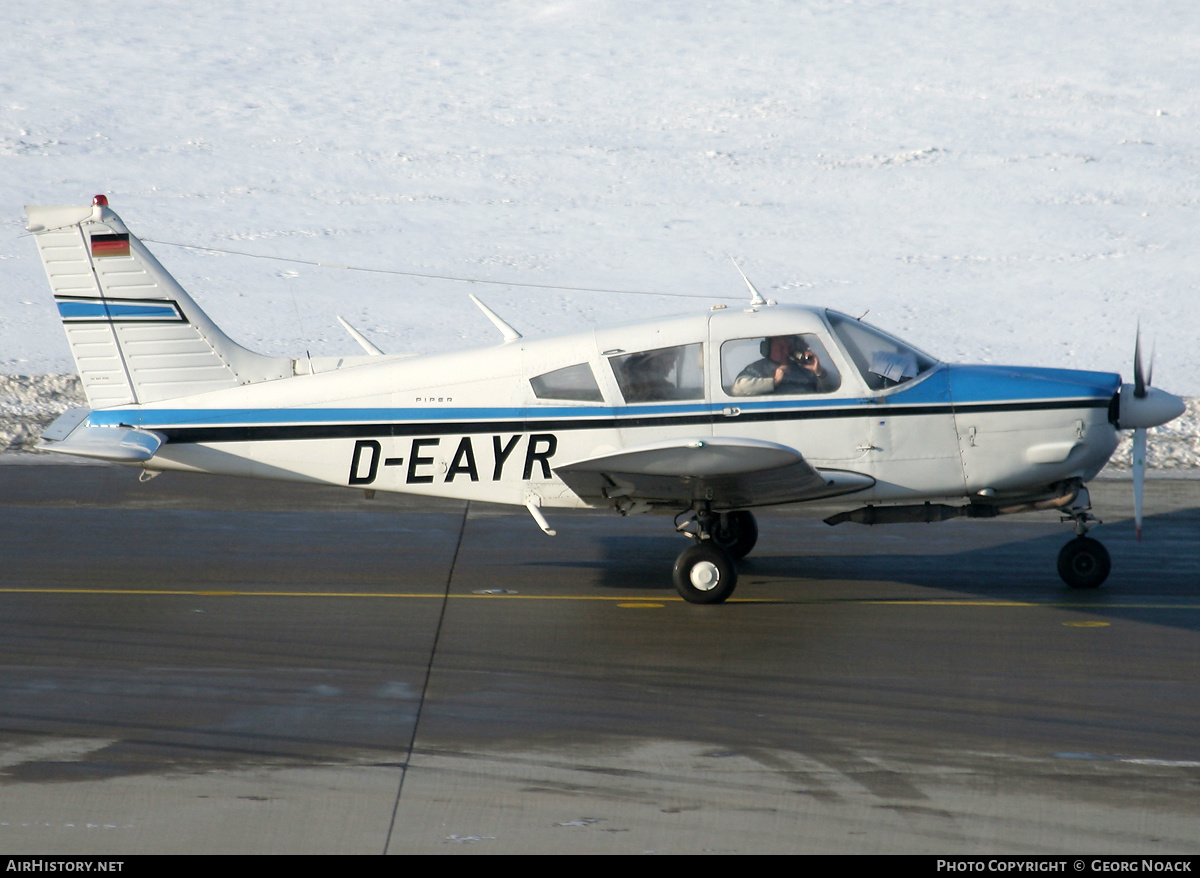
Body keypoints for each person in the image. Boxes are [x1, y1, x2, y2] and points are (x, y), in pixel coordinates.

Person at [731, 335, 835, 396]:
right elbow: (739, 387)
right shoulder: (757, 368)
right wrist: (774, 381)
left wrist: (819, 372)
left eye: (789, 347)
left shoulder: (802, 368)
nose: (785, 351)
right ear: (768, 349)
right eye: (780, 347)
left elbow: (830, 390)